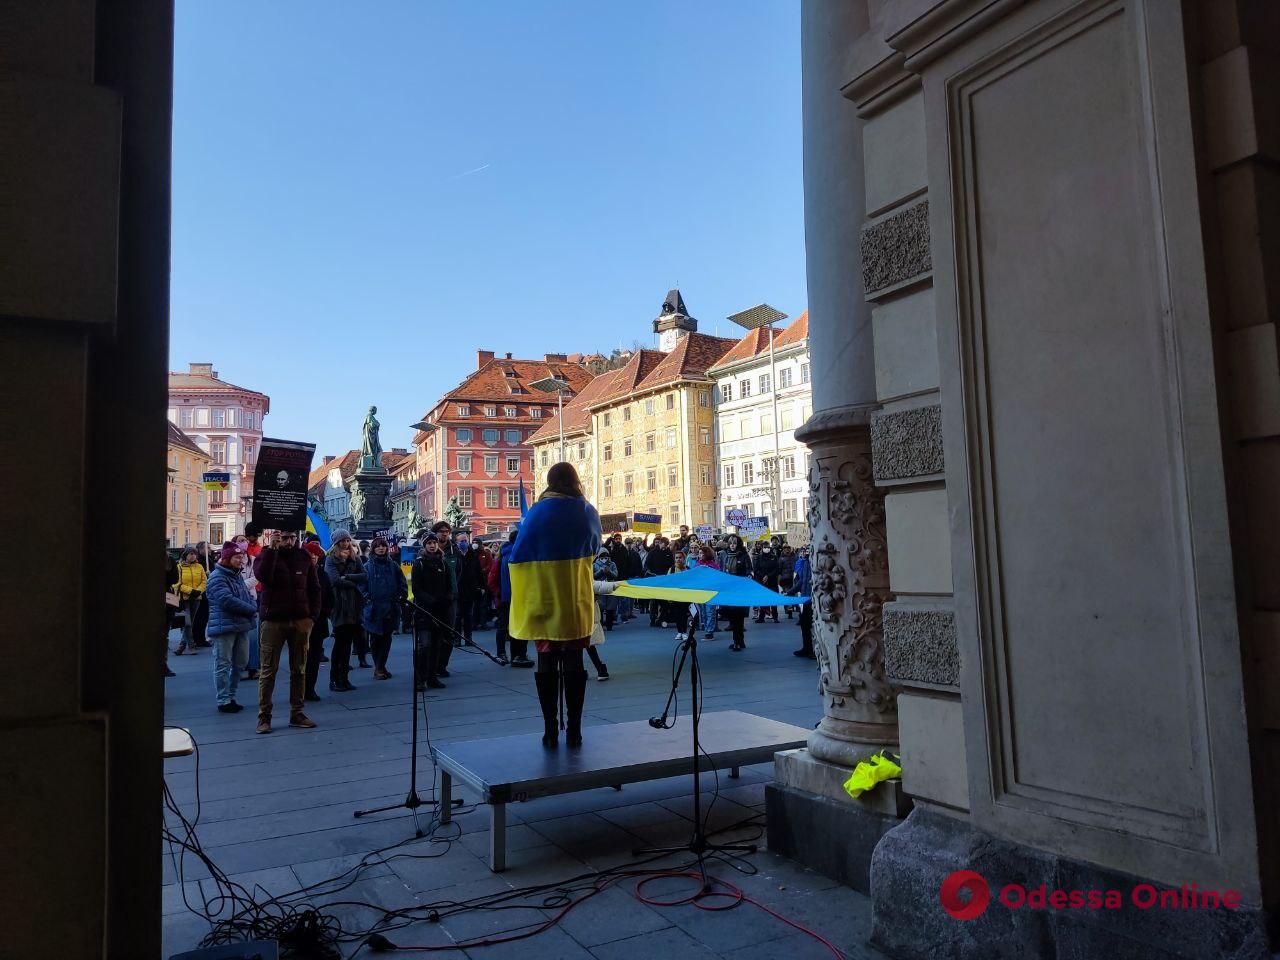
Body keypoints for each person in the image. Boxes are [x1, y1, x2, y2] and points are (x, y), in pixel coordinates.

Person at [508, 462, 601, 747]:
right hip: (574, 597)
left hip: (543, 597)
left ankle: (550, 728)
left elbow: (517, 553)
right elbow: (595, 548)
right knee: (574, 659)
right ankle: (575, 728)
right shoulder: (585, 510)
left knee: (546, 661)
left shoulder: (536, 513)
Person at [253, 529, 320, 733]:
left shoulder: (304, 556)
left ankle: (297, 712)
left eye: (292, 538)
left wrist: (312, 617)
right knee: (268, 670)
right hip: (273, 620)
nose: (289, 542)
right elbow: (263, 577)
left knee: (299, 668)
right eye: (284, 538)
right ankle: (264, 717)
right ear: (276, 538)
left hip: (300, 620)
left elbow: (314, 588)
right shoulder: (265, 555)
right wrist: (272, 550)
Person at [205, 541, 257, 713]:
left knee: (241, 662)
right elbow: (226, 600)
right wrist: (251, 609)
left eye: (241, 557)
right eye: (237, 557)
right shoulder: (217, 577)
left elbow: (246, 595)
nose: (241, 560)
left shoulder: (236, 576)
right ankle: (224, 699)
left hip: (240, 625)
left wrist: (251, 605)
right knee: (223, 663)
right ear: (227, 558)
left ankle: (231, 695)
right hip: (223, 627)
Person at [411, 534, 454, 689]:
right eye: (429, 543)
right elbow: (416, 588)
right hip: (425, 611)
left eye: (434, 543)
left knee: (437, 645)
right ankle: (419, 678)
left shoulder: (443, 563)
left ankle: (432, 677)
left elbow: (450, 585)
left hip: (441, 611)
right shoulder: (419, 563)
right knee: (424, 646)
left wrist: (448, 599)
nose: (432, 545)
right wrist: (431, 600)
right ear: (424, 545)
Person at [325, 531, 366, 692]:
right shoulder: (331, 559)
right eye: (342, 541)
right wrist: (352, 581)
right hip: (339, 605)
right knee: (340, 643)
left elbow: (364, 576)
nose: (345, 543)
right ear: (336, 543)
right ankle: (334, 679)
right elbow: (334, 580)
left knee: (348, 643)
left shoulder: (354, 558)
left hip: (354, 605)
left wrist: (347, 577)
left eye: (347, 540)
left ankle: (345, 678)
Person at [363, 536, 407, 681]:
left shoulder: (393, 565)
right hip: (374, 608)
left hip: (391, 607)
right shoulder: (368, 567)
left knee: (387, 639)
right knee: (376, 639)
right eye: (378, 546)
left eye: (383, 546)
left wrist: (402, 595)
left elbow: (402, 582)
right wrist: (367, 598)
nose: (381, 548)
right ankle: (378, 667)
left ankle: (382, 665)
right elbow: (361, 586)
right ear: (373, 549)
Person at [491, 530, 532, 667]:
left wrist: (499, 594)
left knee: (504, 627)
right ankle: (518, 655)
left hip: (505, 597)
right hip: (515, 597)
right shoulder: (519, 556)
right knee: (518, 627)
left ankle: (503, 654)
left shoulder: (502, 556)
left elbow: (492, 579)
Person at [430, 520, 461, 676]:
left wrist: (453, 591)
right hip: (431, 598)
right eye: (441, 531)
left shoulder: (454, 551)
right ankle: (431, 666)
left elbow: (459, 573)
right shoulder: (427, 551)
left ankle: (442, 666)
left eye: (447, 531)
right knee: (432, 633)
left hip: (450, 598)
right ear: (435, 533)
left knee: (448, 632)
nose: (444, 533)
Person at [303, 541, 333, 700]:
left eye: (315, 555)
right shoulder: (299, 573)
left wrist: (325, 612)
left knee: (314, 657)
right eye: (310, 554)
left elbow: (329, 596)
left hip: (319, 620)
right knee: (301, 658)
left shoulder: (322, 574)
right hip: (302, 621)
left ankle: (310, 689)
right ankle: (300, 689)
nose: (313, 557)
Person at [234, 533, 261, 680]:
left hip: (250, 599)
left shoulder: (253, 560)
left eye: (244, 540)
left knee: (253, 637)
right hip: (236, 601)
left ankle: (253, 666)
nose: (243, 542)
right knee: (239, 637)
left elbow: (256, 577)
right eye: (240, 541)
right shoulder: (228, 560)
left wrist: (241, 585)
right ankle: (240, 667)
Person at [720, 535, 753, 651]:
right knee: (733, 617)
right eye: (730, 543)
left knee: (738, 616)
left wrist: (749, 576)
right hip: (729, 589)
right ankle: (737, 640)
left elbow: (749, 569)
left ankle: (738, 641)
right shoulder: (725, 555)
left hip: (740, 589)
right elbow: (722, 570)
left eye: (734, 543)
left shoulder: (743, 555)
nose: (732, 545)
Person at [172, 547, 207, 655]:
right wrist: (190, 591)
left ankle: (182, 646)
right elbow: (176, 583)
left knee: (190, 622)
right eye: (190, 554)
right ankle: (191, 645)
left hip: (196, 598)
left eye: (194, 554)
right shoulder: (179, 567)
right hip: (184, 598)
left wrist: (198, 591)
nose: (193, 556)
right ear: (185, 555)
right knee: (187, 623)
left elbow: (204, 581)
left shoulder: (199, 566)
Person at [454, 532, 482, 643]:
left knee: (469, 615)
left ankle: (468, 638)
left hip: (470, 589)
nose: (464, 543)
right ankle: (457, 638)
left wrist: (481, 586)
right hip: (458, 589)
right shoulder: (454, 555)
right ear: (457, 542)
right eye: (462, 541)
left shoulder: (473, 554)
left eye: (465, 540)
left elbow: (478, 572)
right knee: (458, 615)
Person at [793, 547, 815, 659]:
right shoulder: (805, 562)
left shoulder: (813, 560)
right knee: (804, 624)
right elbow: (802, 580)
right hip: (805, 598)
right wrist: (791, 591)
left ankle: (814, 650)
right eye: (802, 551)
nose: (803, 553)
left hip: (813, 598)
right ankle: (807, 647)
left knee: (813, 625)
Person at [752, 542, 781, 623]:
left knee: (773, 599)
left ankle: (775, 617)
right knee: (763, 599)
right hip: (762, 581)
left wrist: (768, 576)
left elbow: (776, 569)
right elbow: (756, 569)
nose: (766, 548)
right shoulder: (759, 557)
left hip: (772, 581)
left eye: (768, 547)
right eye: (765, 547)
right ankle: (761, 617)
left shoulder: (774, 557)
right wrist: (763, 576)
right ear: (762, 548)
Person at [696, 544, 720, 640]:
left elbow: (718, 577)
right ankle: (707, 629)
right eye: (699, 553)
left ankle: (709, 632)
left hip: (710, 592)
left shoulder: (713, 566)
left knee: (710, 611)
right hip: (701, 591)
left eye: (702, 553)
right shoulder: (697, 565)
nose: (700, 555)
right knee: (703, 612)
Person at [164, 549, 179, 677]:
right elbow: (175, 579)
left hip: (167, 599)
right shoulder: (169, 560)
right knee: (164, 635)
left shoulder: (170, 560)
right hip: (167, 598)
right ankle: (163, 664)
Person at [778, 544, 796, 619]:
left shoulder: (794, 557)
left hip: (793, 578)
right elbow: (779, 570)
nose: (787, 549)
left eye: (788, 548)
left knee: (791, 594)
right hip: (785, 579)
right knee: (787, 594)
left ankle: (790, 609)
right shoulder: (781, 558)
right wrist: (779, 580)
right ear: (783, 549)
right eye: (785, 548)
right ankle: (789, 611)